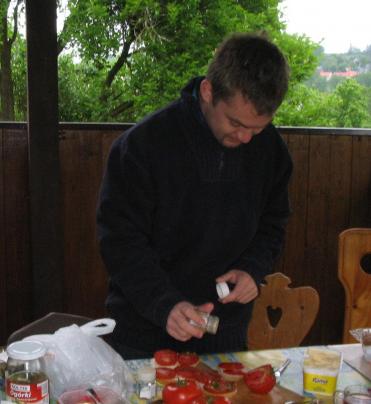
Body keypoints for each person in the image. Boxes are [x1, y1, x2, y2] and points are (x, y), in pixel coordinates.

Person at [96, 31, 292, 360]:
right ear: (208, 90)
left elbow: (273, 222)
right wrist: (164, 304)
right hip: (144, 334)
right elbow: (120, 241)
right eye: (235, 122)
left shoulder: (271, 150)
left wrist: (252, 269)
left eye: (257, 129)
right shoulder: (142, 146)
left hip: (225, 334)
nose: (246, 138)